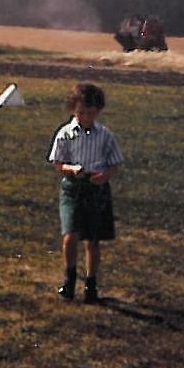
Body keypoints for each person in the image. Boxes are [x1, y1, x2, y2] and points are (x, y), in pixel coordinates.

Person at [47, 83, 123, 304]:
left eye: (91, 113)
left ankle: (91, 283)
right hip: (73, 188)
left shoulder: (105, 135)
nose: (86, 117)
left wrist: (105, 176)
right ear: (73, 109)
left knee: (93, 240)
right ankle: (69, 278)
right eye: (81, 113)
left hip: (96, 190)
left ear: (98, 111)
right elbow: (58, 163)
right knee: (70, 235)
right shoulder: (65, 133)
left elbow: (115, 163)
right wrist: (72, 169)